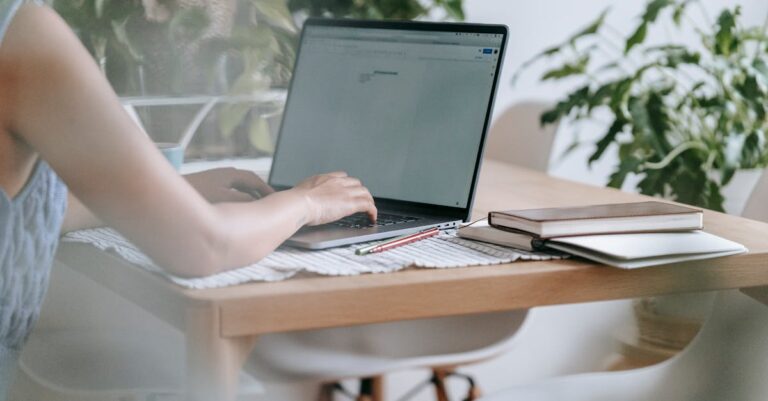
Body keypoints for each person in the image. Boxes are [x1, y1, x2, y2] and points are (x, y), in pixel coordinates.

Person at [0, 0, 377, 396]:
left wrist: (176, 194)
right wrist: (308, 202)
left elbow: (27, 218)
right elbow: (204, 246)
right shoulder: (23, 34)